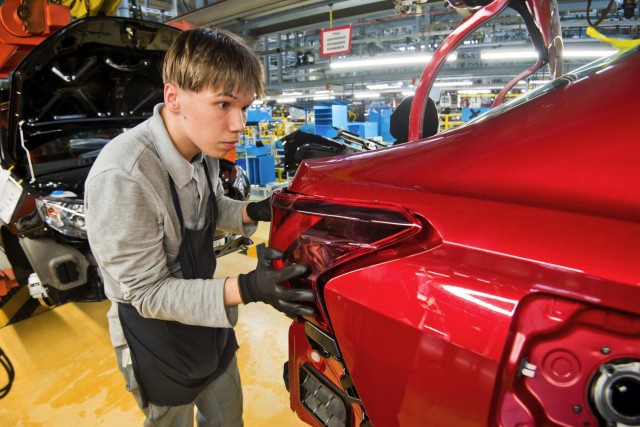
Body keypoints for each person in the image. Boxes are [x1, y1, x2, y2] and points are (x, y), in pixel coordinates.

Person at [85, 28, 314, 427]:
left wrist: (253, 211)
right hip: (153, 336)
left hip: (206, 320)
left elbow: (208, 206)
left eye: (244, 106)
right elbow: (146, 293)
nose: (238, 124)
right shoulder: (124, 175)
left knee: (227, 416)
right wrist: (248, 288)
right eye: (223, 104)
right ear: (173, 97)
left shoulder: (203, 148)